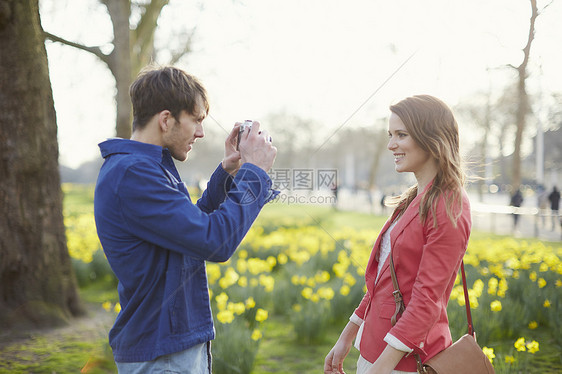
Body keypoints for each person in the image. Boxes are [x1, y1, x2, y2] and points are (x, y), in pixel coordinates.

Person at [94, 65, 277, 373]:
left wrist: (227, 174)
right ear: (166, 120)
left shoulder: (149, 167)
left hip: (168, 347)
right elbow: (213, 241)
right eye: (197, 120)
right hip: (161, 355)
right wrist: (255, 174)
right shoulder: (133, 173)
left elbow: (188, 230)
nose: (202, 132)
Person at [324, 95, 471, 374]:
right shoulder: (414, 197)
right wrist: (346, 337)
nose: (391, 144)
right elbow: (383, 281)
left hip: (405, 361)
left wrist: (381, 368)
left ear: (431, 137)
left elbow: (427, 299)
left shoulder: (449, 203)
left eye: (401, 135)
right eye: (390, 135)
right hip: (377, 351)